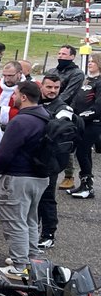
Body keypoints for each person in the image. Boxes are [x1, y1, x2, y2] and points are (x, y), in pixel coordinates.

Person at [0, 81, 50, 277]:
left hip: (18, 178)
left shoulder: (21, 121)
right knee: (30, 219)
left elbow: (4, 153)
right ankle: (30, 260)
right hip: (40, 178)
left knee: (15, 222)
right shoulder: (45, 116)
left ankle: (18, 267)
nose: (12, 97)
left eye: (15, 93)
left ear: (23, 97)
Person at [35, 73, 80, 250]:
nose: (53, 91)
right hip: (35, 158)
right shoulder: (35, 101)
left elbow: (65, 120)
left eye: (56, 87)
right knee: (34, 198)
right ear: (42, 86)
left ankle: (48, 234)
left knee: (46, 197)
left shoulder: (62, 108)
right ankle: (33, 229)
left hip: (51, 160)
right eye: (49, 87)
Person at [54, 45, 86, 191]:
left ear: (72, 56)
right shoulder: (53, 71)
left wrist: (53, 105)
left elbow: (68, 94)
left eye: (64, 54)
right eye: (59, 53)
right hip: (50, 108)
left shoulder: (77, 73)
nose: (61, 56)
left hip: (68, 111)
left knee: (65, 143)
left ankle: (69, 176)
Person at [69, 55, 101, 199]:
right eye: (89, 61)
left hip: (93, 123)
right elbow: (77, 99)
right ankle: (83, 184)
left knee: (82, 152)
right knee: (82, 152)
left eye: (93, 61)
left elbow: (98, 106)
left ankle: (88, 186)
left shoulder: (99, 82)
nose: (90, 63)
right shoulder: (87, 80)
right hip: (80, 123)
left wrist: (82, 116)